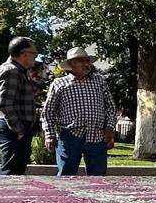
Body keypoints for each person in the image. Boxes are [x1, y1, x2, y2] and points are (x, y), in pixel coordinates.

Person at [42, 47, 117, 176]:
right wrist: (49, 135)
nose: (86, 64)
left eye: (87, 61)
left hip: (97, 136)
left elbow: (110, 107)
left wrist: (109, 128)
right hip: (69, 137)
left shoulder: (99, 81)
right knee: (66, 176)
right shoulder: (59, 84)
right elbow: (48, 112)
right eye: (81, 61)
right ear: (71, 64)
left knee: (98, 178)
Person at [0, 36, 40, 176]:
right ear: (24, 54)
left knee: (16, 171)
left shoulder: (18, 71)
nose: (35, 57)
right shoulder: (11, 70)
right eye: (34, 53)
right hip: (12, 128)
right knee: (11, 173)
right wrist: (19, 130)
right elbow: (5, 104)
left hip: (13, 127)